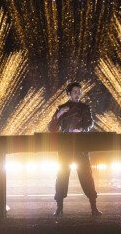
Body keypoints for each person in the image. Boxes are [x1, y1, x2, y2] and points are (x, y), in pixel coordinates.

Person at [48, 82, 102, 216]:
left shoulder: (85, 107)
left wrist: (82, 129)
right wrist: (59, 114)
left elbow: (90, 123)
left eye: (79, 92)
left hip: (81, 147)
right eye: (75, 92)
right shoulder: (61, 108)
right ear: (69, 93)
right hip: (65, 147)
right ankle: (59, 208)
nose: (77, 94)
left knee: (86, 176)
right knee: (61, 176)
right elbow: (51, 128)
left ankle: (94, 208)